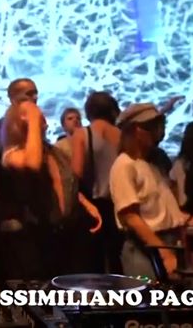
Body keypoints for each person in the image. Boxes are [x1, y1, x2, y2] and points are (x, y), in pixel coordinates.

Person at [109, 105, 193, 280]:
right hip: (147, 248)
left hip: (169, 243)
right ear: (136, 130)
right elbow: (131, 217)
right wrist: (164, 253)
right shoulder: (124, 165)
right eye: (152, 127)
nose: (159, 132)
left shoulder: (153, 164)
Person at [0, 101, 100, 279]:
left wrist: (85, 203)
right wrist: (32, 120)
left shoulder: (54, 152)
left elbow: (66, 181)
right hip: (35, 241)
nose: (40, 115)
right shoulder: (12, 154)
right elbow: (32, 164)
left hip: (65, 237)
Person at [71, 91, 122, 273]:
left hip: (94, 206)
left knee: (94, 263)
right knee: (117, 260)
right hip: (120, 204)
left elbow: (76, 173)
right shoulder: (121, 134)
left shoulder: (82, 134)